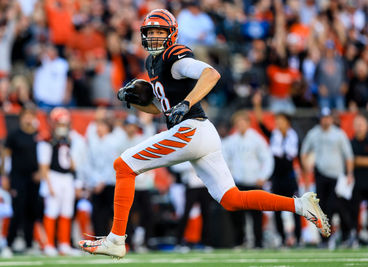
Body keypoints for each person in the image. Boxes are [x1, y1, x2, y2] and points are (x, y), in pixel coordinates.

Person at [79, 9, 330, 258]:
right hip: (199, 133)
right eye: (150, 32)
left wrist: (186, 103)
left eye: (159, 31)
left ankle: (116, 239)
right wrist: (134, 100)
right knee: (232, 199)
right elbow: (161, 107)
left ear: (172, 34)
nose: (154, 36)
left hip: (192, 129)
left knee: (123, 165)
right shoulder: (152, 63)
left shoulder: (175, 57)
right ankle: (300, 205)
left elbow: (211, 74)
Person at [253, 93, 301, 246]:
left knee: (296, 208)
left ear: (287, 122)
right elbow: (261, 124)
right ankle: (281, 237)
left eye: (281, 120)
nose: (278, 123)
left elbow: (291, 157)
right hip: (277, 178)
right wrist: (257, 105)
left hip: (289, 177)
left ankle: (298, 238)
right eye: (277, 120)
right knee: (277, 208)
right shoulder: (274, 135)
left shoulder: (293, 136)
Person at [301, 107, 354, 247]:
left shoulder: (339, 134)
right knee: (322, 208)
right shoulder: (314, 134)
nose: (325, 120)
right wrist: (307, 169)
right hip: (321, 174)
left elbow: (348, 156)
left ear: (331, 118)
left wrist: (349, 174)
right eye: (323, 118)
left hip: (337, 176)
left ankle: (346, 234)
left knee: (337, 206)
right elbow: (304, 153)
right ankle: (325, 239)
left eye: (327, 117)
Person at [222, 111, 274, 248]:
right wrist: (229, 177)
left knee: (256, 215)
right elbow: (224, 159)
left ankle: (258, 242)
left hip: (254, 182)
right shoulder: (231, 141)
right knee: (237, 215)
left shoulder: (257, 139)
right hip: (238, 183)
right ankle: (240, 241)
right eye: (237, 123)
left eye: (242, 122)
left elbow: (267, 158)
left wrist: (263, 176)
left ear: (248, 123)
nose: (240, 125)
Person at [0, 103, 40, 258]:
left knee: (31, 211)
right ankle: (8, 244)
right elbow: (5, 156)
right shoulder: (14, 135)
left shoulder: (37, 135)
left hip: (33, 178)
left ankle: (29, 244)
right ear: (21, 117)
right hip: (18, 177)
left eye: (31, 115)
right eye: (26, 115)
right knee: (17, 211)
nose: (29, 118)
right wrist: (4, 176)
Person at [37, 107, 78, 256]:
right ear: (53, 124)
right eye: (60, 124)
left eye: (65, 124)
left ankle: (64, 244)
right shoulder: (46, 140)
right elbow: (44, 166)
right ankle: (48, 244)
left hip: (67, 178)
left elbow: (72, 164)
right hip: (53, 176)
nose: (63, 127)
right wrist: (48, 184)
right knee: (52, 210)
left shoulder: (68, 140)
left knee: (67, 211)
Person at [349, 114, 368, 247]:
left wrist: (357, 161)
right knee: (354, 211)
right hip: (356, 183)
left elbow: (354, 160)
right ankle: (354, 236)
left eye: (361, 124)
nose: (359, 127)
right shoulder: (351, 143)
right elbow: (349, 160)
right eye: (357, 125)